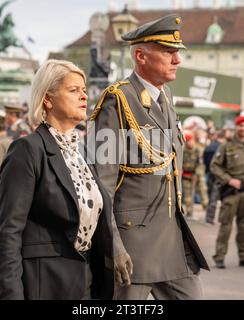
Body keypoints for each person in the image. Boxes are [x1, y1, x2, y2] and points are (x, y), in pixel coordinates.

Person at [87, 14, 209, 300]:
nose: (177, 60)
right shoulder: (117, 101)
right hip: (134, 246)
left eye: (177, 52)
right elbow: (101, 183)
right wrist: (113, 245)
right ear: (140, 56)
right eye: (169, 52)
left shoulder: (165, 98)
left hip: (172, 239)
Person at [0, 59, 114, 300]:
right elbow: (9, 233)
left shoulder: (83, 152)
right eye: (73, 90)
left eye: (83, 90)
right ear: (47, 99)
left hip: (86, 283)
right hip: (44, 284)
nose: (84, 96)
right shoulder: (27, 150)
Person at [211, 115, 244, 269]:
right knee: (226, 226)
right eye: (241, 126)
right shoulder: (226, 146)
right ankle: (219, 257)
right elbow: (215, 166)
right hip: (231, 193)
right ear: (236, 127)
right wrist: (229, 179)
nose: (243, 129)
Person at [182, 131, 208, 218]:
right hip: (186, 175)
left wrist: (196, 174)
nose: (189, 143)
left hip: (198, 175)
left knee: (203, 190)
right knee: (188, 196)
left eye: (190, 141)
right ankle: (189, 212)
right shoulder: (183, 151)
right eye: (187, 141)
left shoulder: (198, 150)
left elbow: (200, 164)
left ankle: (207, 209)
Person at [203, 130, 225, 224]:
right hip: (218, 175)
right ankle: (213, 218)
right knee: (216, 197)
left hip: (209, 174)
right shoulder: (222, 147)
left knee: (210, 196)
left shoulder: (209, 147)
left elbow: (204, 159)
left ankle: (209, 217)